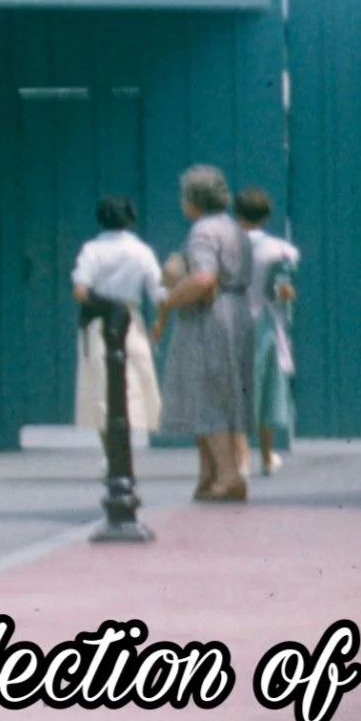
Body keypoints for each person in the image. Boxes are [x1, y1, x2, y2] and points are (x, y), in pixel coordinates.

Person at [154, 164, 252, 502]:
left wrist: (168, 300)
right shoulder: (234, 229)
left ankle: (226, 474)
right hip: (237, 312)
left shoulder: (202, 232)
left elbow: (203, 278)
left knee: (206, 393)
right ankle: (209, 474)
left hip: (209, 318)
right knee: (224, 393)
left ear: (192, 200)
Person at [71, 195, 164, 436]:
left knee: (102, 383)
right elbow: (160, 294)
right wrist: (159, 324)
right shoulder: (141, 251)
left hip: (99, 320)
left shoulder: (92, 250)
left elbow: (80, 290)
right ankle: (128, 443)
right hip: (130, 317)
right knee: (134, 380)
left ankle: (109, 450)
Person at [234, 186, 298, 474]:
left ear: (237, 214)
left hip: (233, 321)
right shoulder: (277, 250)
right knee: (268, 391)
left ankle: (241, 459)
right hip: (265, 325)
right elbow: (283, 291)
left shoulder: (227, 246)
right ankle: (267, 456)